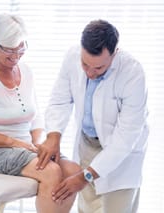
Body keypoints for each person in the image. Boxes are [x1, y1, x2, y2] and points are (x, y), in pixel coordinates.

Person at [0, 13, 82, 213]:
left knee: (72, 171)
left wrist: (39, 143)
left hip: (25, 148)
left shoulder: (26, 72)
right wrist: (16, 143)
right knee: (50, 171)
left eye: (21, 49)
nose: (15, 58)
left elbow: (35, 117)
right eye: (9, 52)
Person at [36, 19, 149, 213]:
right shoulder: (72, 56)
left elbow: (125, 138)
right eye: (85, 64)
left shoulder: (132, 73)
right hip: (87, 144)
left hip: (122, 155)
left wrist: (84, 177)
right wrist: (53, 135)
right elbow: (60, 99)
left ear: (114, 54)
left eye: (98, 68)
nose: (90, 73)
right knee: (87, 208)